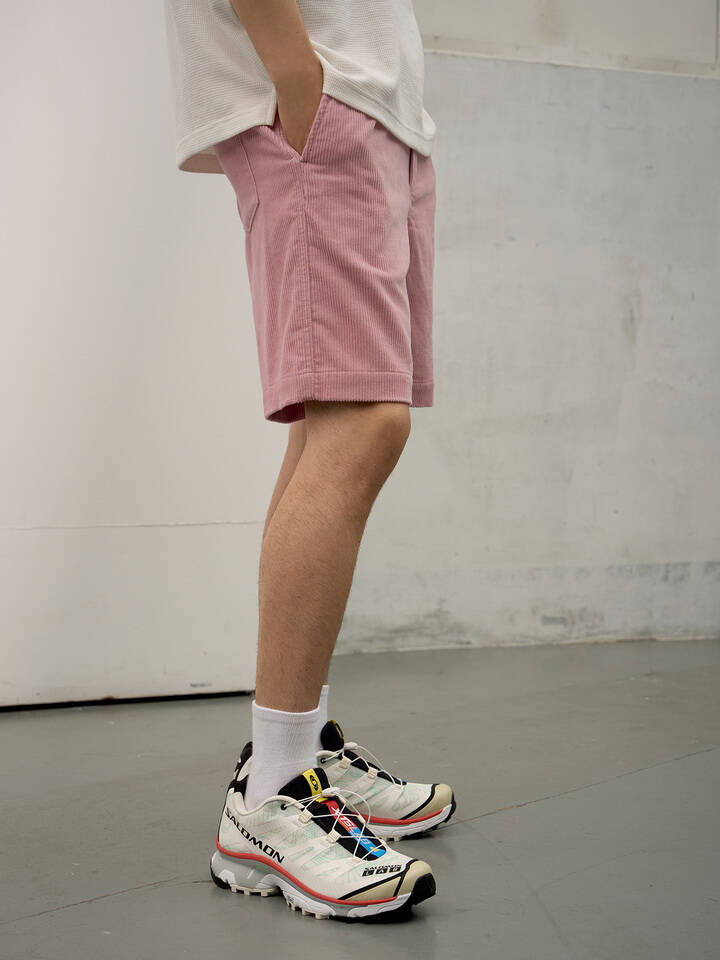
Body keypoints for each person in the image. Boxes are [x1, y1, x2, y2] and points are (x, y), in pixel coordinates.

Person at [162, 0, 455, 921]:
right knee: (365, 422)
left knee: (332, 419)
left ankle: (300, 747)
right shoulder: (310, 92)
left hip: (379, 111)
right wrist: (301, 81)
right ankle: (273, 798)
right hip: (322, 102)